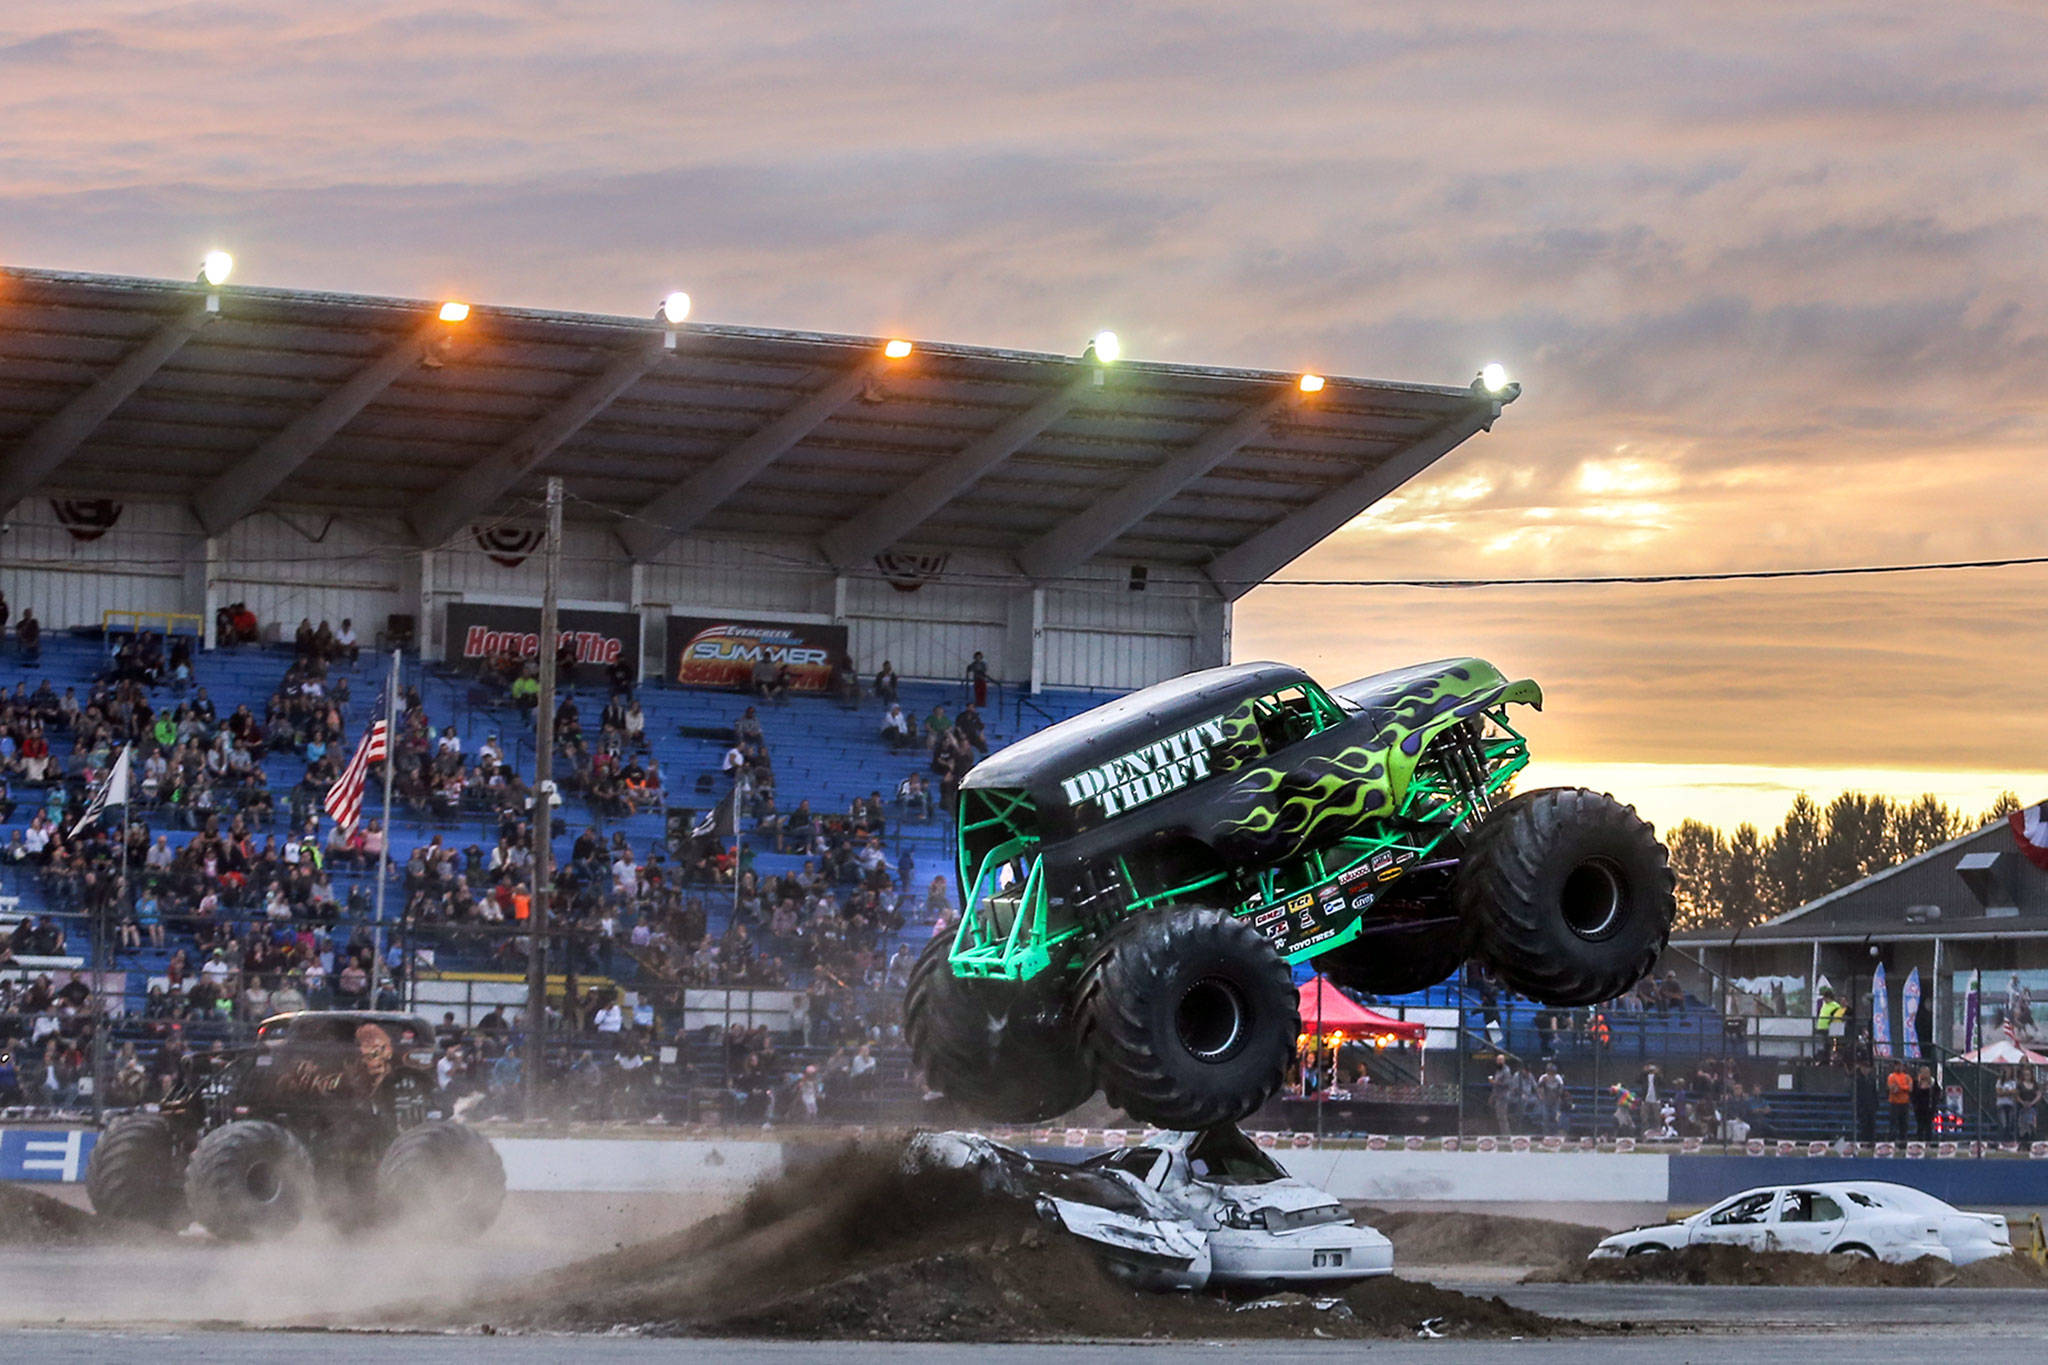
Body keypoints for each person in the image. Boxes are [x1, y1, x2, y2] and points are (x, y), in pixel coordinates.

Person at [1885, 1059, 1914, 1143]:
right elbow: (1893, 1089)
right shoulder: (1891, 1076)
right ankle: (1891, 1143)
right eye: (1897, 1065)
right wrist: (1904, 1087)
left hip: (1904, 1104)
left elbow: (1910, 1088)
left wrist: (1900, 1087)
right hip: (1894, 1103)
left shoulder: (1907, 1077)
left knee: (1904, 1125)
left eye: (1900, 1065)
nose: (1899, 1067)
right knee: (1893, 1125)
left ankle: (1903, 1143)